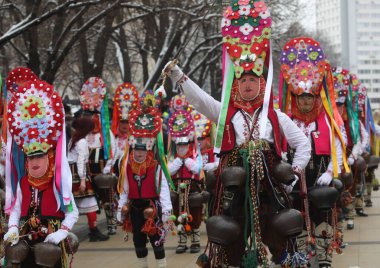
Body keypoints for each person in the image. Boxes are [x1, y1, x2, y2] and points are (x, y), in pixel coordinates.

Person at [163, 1, 311, 266]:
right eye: (243, 80)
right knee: (230, 235)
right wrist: (178, 75)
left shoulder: (276, 116)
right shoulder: (226, 113)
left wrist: (294, 174)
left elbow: (303, 144)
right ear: (236, 84)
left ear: (261, 83)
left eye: (253, 80)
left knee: (279, 232)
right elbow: (200, 101)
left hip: (270, 187)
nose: (247, 85)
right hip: (234, 189)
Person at [280, 37, 348, 268]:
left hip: (319, 177)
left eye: (309, 97)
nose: (306, 102)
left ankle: (324, 256)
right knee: (295, 218)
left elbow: (339, 145)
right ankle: (300, 257)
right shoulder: (287, 121)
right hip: (295, 178)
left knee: (322, 216)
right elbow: (279, 147)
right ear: (295, 97)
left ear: (316, 97)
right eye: (301, 97)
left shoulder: (327, 121)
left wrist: (330, 172)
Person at [3, 73, 78, 267]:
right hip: (27, 239)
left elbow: (72, 212)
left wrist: (63, 231)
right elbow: (16, 209)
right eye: (31, 157)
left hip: (50, 241)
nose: (34, 161)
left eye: (39, 156)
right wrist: (12, 227)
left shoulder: (58, 181)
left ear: (49, 156)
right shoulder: (23, 182)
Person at [117, 106, 172, 268]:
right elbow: (124, 189)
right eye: (136, 150)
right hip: (134, 208)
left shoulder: (156, 166)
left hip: (151, 207)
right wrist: (121, 208)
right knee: (138, 242)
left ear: (148, 150)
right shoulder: (126, 167)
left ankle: (161, 266)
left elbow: (163, 190)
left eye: (142, 151)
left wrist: (167, 211)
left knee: (156, 241)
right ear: (132, 149)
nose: (138, 154)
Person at [80, 77, 117, 235]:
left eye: (93, 116)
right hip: (89, 172)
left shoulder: (105, 133)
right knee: (90, 200)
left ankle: (111, 223)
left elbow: (112, 151)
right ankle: (92, 226)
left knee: (107, 198)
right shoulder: (82, 135)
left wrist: (108, 168)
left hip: (103, 170)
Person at [168, 108, 204, 254]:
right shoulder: (174, 159)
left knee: (195, 214)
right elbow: (168, 171)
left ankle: (195, 241)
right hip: (178, 191)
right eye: (179, 146)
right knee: (178, 214)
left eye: (184, 145)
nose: (182, 148)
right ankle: (182, 241)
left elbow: (198, 171)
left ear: (189, 145)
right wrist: (178, 162)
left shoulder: (194, 156)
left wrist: (187, 161)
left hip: (192, 190)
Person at [68, 116, 109, 242]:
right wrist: (82, 180)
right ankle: (93, 231)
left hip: (72, 174)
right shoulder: (81, 142)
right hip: (79, 175)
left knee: (74, 206)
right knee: (90, 205)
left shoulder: (73, 140)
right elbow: (81, 161)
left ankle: (93, 231)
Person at [111, 83, 139, 177]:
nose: (124, 125)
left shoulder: (134, 139)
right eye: (122, 122)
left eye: (127, 122)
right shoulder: (114, 138)